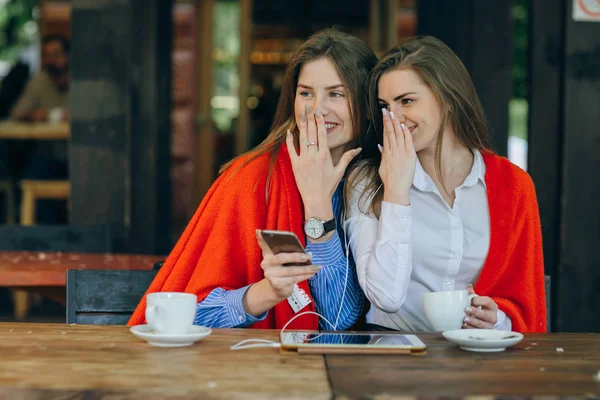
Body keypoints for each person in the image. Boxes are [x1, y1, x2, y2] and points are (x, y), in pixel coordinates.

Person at [129, 28, 378, 330]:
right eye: (306, 93)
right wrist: (264, 294)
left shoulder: (378, 184)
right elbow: (180, 315)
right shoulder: (251, 179)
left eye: (336, 94)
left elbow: (339, 317)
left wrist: (317, 205)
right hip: (256, 365)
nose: (317, 110)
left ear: (367, 107)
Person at [345, 36, 546, 333]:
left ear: (448, 98)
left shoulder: (513, 185)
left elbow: (524, 305)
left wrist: (497, 319)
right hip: (391, 355)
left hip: (475, 357)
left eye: (407, 101)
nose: (394, 118)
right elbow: (386, 297)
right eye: (385, 106)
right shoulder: (367, 181)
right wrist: (396, 191)